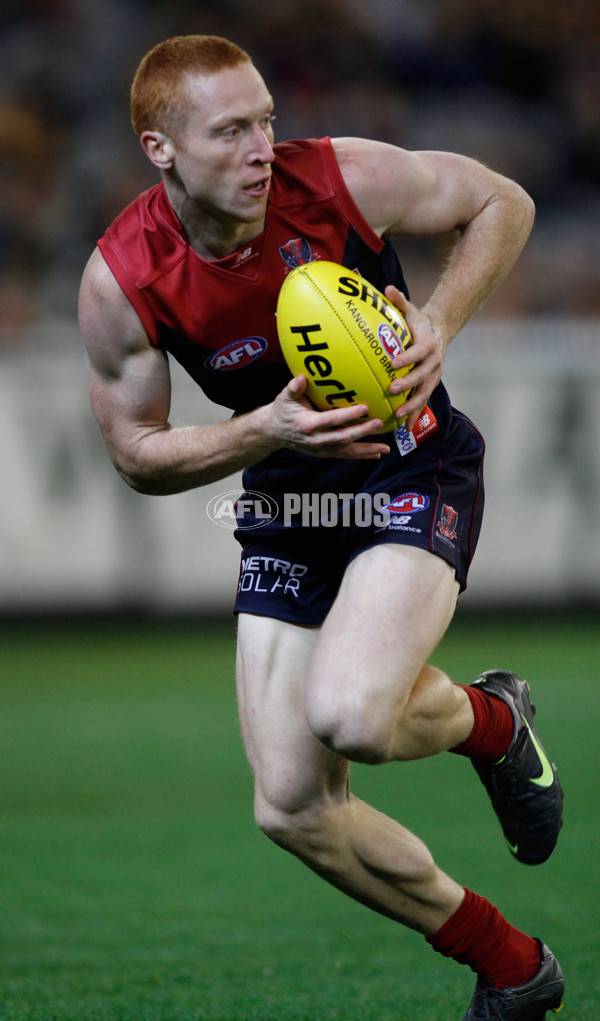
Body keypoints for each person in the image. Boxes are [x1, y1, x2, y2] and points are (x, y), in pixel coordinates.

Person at [78, 34, 565, 1020]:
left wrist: (438, 320)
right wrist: (263, 428)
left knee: (350, 714)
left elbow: (499, 201)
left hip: (411, 465)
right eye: (231, 131)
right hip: (290, 501)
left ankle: (494, 724)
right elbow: (135, 451)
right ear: (159, 148)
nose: (263, 145)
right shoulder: (123, 278)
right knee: (291, 806)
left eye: (265, 118)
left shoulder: (337, 177)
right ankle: (514, 964)